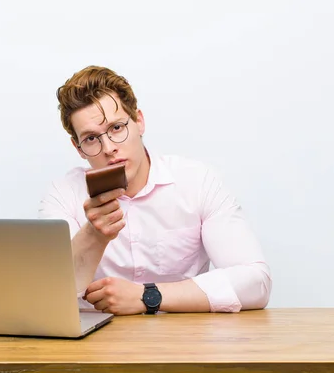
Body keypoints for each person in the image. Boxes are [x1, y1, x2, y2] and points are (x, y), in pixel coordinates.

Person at [38, 66, 271, 315]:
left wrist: (148, 295)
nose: (108, 148)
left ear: (139, 121)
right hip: (95, 347)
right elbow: (49, 297)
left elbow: (256, 283)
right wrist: (95, 235)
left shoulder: (197, 181)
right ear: (79, 148)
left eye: (117, 128)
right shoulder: (64, 195)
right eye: (91, 139)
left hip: (184, 344)